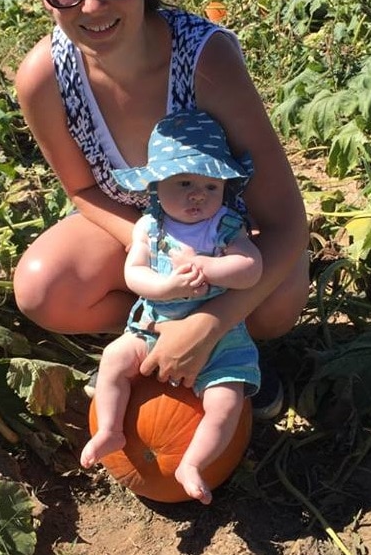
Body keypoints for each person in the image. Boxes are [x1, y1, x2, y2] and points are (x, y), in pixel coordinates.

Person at [13, 0, 310, 425]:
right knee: (41, 289)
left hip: (225, 232)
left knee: (278, 301)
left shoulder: (205, 60)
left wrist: (211, 320)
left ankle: (228, 342)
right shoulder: (43, 79)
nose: (93, 4)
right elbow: (80, 189)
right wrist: (154, 253)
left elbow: (289, 221)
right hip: (141, 229)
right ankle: (149, 334)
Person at [80, 110, 262, 504]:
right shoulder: (150, 226)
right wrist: (165, 286)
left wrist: (214, 267)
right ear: (156, 185)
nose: (198, 194)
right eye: (184, 182)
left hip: (219, 338)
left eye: (211, 186)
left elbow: (251, 268)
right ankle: (109, 429)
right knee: (114, 357)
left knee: (225, 401)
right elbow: (135, 274)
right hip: (154, 327)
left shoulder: (225, 226)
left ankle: (192, 463)